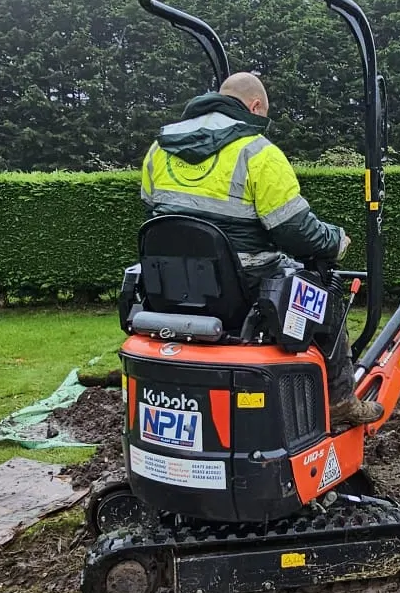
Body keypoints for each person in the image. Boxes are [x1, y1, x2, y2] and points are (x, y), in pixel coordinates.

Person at [140, 71, 385, 427]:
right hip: (243, 287)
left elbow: (157, 213)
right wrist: (334, 240)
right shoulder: (257, 152)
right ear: (255, 106)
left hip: (170, 286)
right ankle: (339, 400)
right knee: (325, 298)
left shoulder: (158, 149)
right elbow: (295, 231)